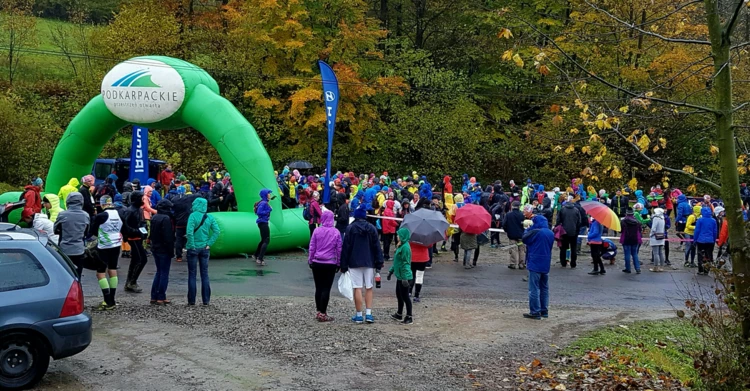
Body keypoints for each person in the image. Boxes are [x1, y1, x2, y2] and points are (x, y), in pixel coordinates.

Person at [340, 205, 383, 324]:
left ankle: (359, 315)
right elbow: (377, 247)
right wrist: (379, 262)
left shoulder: (350, 228)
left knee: (357, 287)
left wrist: (343, 264)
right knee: (369, 287)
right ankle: (368, 314)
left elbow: (346, 247)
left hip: (354, 261)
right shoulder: (372, 228)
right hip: (369, 261)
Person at [89, 196, 123, 310]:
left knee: (100, 272)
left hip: (103, 245)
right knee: (113, 270)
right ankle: (112, 299)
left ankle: (107, 300)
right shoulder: (119, 213)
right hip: (116, 244)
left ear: (103, 204)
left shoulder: (101, 216)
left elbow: (93, 230)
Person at [308, 210, 342, 322]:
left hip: (317, 261)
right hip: (330, 263)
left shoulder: (317, 231)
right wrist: (339, 262)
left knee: (318, 287)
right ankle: (323, 312)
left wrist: (310, 259)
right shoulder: (336, 232)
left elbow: (312, 246)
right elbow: (339, 249)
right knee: (326, 288)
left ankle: (318, 311)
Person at [186, 197, 220, 305]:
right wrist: (209, 243)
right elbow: (217, 231)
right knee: (204, 274)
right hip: (205, 248)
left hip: (193, 248)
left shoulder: (192, 216)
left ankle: (192, 300)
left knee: (192, 274)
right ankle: (206, 300)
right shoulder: (209, 217)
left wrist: (191, 245)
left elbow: (189, 232)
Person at [522, 215, 554, 320]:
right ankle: (544, 310)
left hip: (535, 262)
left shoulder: (536, 232)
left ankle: (535, 311)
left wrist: (527, 229)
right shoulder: (550, 233)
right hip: (546, 262)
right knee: (544, 288)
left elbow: (525, 239)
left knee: (534, 288)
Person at [54, 192, 90, 277]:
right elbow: (86, 233)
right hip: (79, 249)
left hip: (64, 249)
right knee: (77, 276)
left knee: (64, 275)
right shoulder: (85, 215)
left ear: (68, 202)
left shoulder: (62, 215)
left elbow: (55, 230)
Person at [149, 199, 175, 304]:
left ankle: (154, 296)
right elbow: (168, 237)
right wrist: (171, 250)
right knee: (164, 273)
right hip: (164, 249)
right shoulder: (166, 219)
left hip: (155, 247)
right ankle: (161, 296)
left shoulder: (154, 217)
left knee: (159, 272)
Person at [123, 191, 148, 292]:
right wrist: (138, 231)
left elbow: (142, 222)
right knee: (141, 259)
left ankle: (130, 282)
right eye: (141, 198)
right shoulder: (130, 211)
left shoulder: (139, 210)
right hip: (133, 238)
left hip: (138, 237)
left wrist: (144, 229)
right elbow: (126, 226)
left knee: (136, 260)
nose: (143, 200)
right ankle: (132, 282)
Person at [389, 227, 414, 325]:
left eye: (398, 235)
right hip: (400, 276)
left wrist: (405, 278)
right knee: (399, 295)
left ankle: (409, 316)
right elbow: (397, 262)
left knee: (405, 297)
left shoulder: (405, 247)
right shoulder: (400, 246)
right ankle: (399, 313)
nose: (397, 236)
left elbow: (405, 263)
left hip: (405, 276)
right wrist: (391, 271)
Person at [556, 196, 581, 268]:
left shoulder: (562, 209)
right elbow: (579, 221)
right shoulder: (576, 210)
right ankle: (573, 263)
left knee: (564, 247)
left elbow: (558, 221)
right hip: (574, 232)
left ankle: (563, 262)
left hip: (564, 232)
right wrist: (577, 230)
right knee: (573, 248)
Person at [693, 206, 718, 276]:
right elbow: (715, 231)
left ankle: (700, 269)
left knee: (700, 254)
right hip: (710, 241)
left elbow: (697, 231)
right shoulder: (713, 221)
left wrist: (695, 240)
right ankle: (707, 270)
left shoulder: (700, 220)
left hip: (700, 240)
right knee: (709, 255)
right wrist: (714, 239)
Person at [254, 189, 273, 266]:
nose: (270, 195)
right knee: (266, 240)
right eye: (268, 193)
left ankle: (256, 255)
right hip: (263, 222)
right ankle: (260, 258)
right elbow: (259, 212)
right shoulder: (264, 203)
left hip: (262, 222)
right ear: (265, 195)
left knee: (263, 240)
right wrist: (269, 210)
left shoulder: (263, 202)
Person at [620, 209, 642, 274]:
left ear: (626, 214)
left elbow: (620, 230)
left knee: (627, 254)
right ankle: (637, 268)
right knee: (635, 254)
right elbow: (640, 230)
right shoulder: (637, 221)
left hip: (626, 239)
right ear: (633, 214)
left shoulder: (623, 221)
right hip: (635, 239)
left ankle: (628, 268)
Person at [649, 208, 666, 272]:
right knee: (660, 252)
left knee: (655, 253)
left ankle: (655, 267)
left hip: (655, 237)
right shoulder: (662, 218)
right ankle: (661, 267)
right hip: (661, 236)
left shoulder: (656, 218)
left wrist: (650, 235)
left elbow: (653, 228)